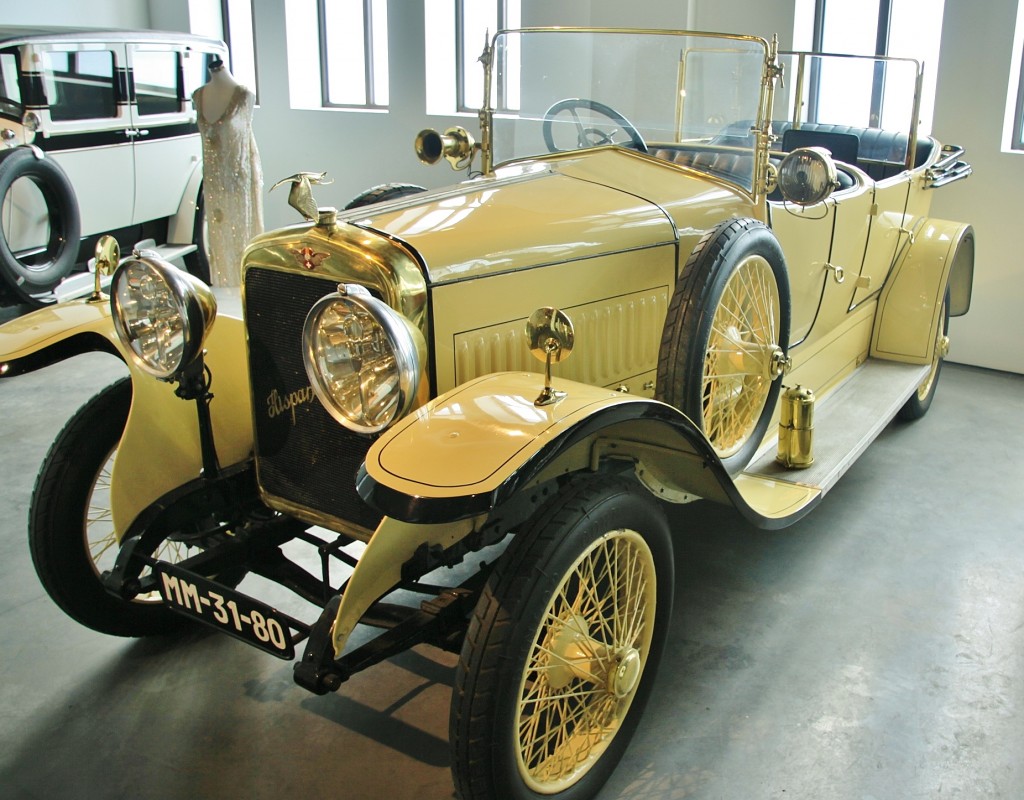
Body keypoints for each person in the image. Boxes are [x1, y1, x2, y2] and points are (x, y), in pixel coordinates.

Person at [192, 58, 263, 287]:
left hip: (238, 181)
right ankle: (223, 287)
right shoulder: (198, 95)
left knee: (241, 235)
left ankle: (246, 287)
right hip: (213, 182)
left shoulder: (243, 96)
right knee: (218, 238)